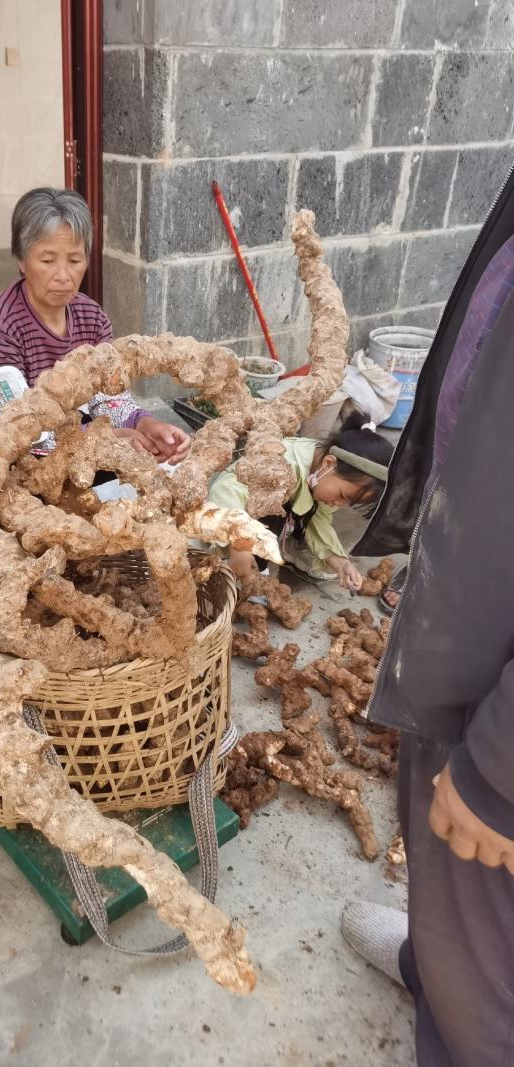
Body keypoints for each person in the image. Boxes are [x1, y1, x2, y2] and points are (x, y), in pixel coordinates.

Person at [340, 172, 514, 1064]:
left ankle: (464, 1018)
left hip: (503, 720)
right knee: (449, 881)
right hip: (468, 617)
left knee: (490, 948)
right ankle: (431, 960)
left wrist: (499, 770)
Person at [0, 187, 191, 466]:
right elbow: (11, 431)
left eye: (74, 260)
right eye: (47, 260)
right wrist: (104, 439)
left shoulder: (92, 318)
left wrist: (144, 424)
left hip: (70, 442)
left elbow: (107, 396)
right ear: (21, 260)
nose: (62, 276)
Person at [206, 414, 393, 589]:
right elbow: (225, 490)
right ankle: (243, 557)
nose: (338, 504)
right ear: (328, 463)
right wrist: (240, 545)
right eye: (343, 495)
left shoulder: (322, 473)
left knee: (304, 509)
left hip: (265, 516)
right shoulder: (282, 465)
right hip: (231, 510)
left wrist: (340, 562)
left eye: (348, 502)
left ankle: (263, 556)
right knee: (270, 511)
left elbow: (319, 520)